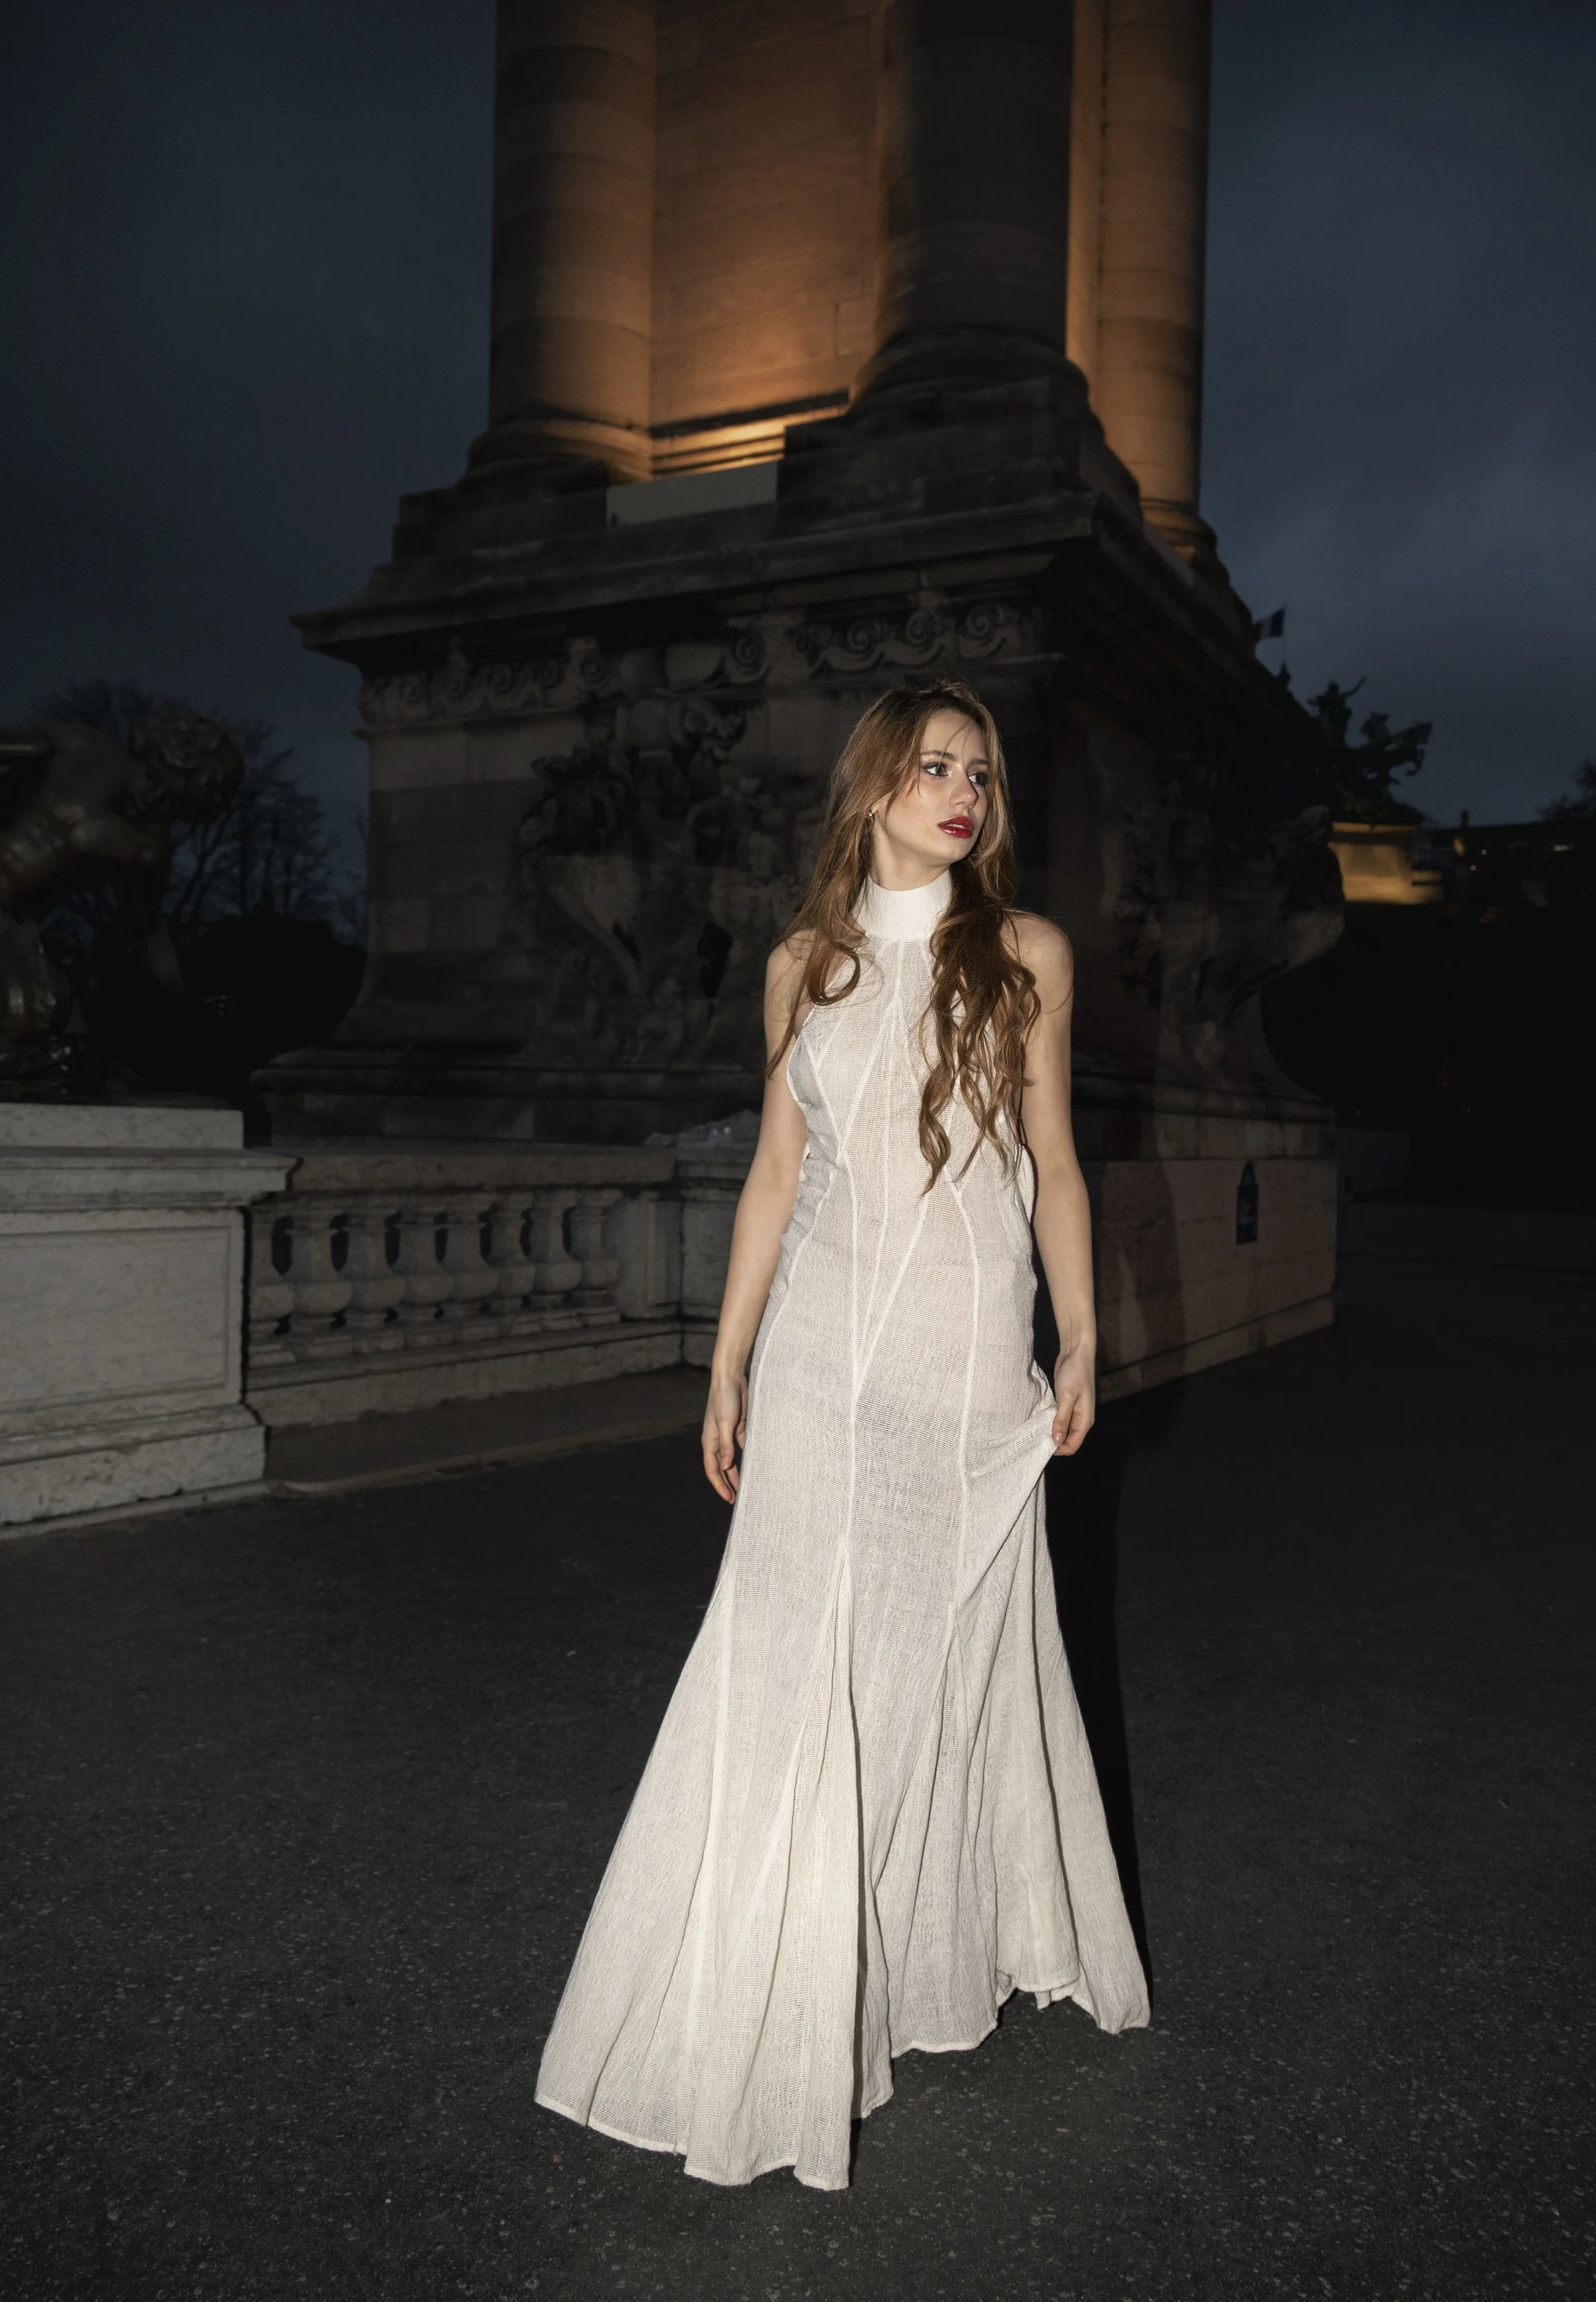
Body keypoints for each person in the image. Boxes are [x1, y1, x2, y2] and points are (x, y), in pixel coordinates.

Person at [536, 678, 1148, 2189]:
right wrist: (726, 1357)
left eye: (981, 775)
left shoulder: (1026, 953)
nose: (964, 795)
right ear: (872, 786)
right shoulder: (798, 964)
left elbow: (1055, 1161)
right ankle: (761, 1978)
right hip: (816, 1348)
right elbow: (775, 1170)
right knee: (788, 1648)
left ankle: (913, 1949)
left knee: (925, 1655)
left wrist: (1078, 1335)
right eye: (935, 768)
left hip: (960, 1352)